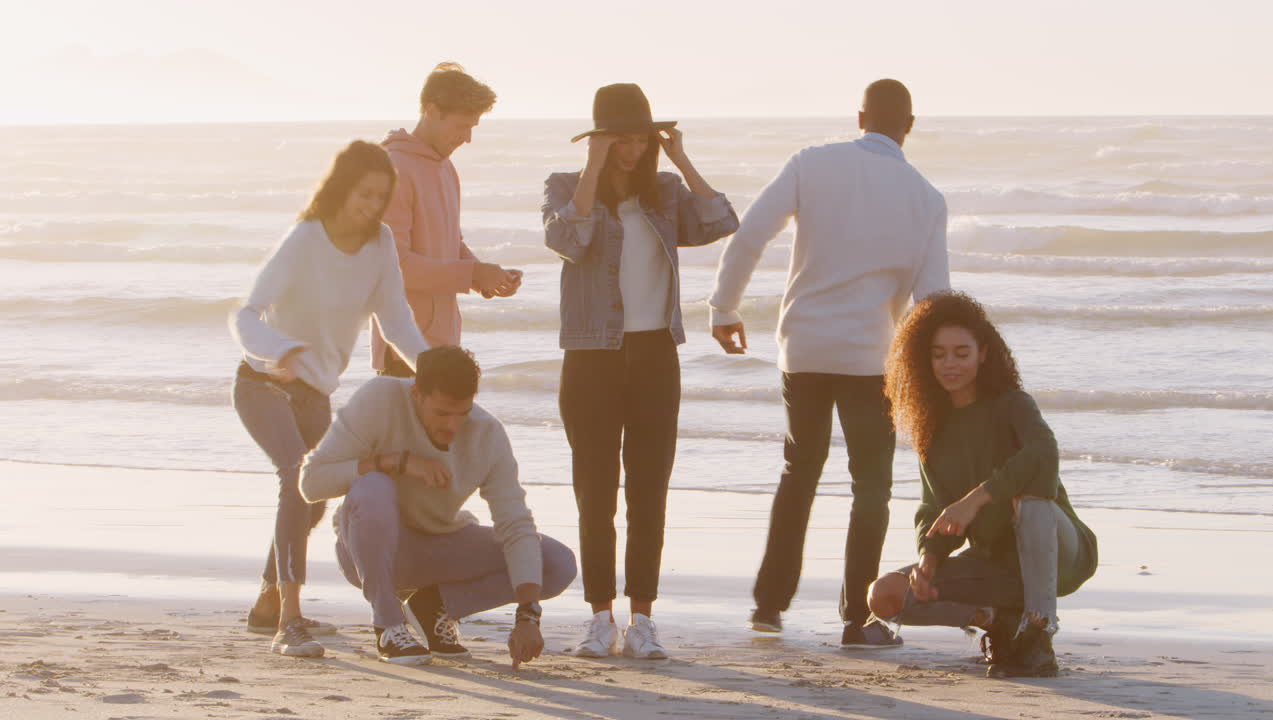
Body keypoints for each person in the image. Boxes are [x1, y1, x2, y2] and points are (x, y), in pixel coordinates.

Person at [708, 79, 950, 647]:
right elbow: (932, 301)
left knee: (800, 472)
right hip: (872, 357)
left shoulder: (812, 163)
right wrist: (940, 377)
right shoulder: (926, 198)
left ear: (860, 117)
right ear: (909, 126)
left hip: (805, 349)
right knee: (871, 487)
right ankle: (857, 619)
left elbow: (750, 236)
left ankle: (769, 606)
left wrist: (724, 307)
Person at [543, 83, 740, 659]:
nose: (631, 151)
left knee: (649, 492)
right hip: (591, 357)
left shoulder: (667, 191)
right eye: (619, 141)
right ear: (599, 139)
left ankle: (643, 620)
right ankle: (599, 618)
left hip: (656, 354)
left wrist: (680, 157)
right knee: (595, 492)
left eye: (639, 140)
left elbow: (721, 220)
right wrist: (593, 165)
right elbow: (567, 239)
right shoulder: (565, 186)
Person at [229, 140, 431, 657]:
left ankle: (268, 601)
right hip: (263, 384)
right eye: (364, 194)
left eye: (381, 197)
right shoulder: (306, 238)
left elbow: (396, 320)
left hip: (315, 394)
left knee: (314, 498)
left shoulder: (381, 243)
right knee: (296, 479)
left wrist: (431, 370)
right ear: (341, 189)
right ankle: (289, 623)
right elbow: (246, 314)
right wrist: (279, 349)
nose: (372, 206)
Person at [867, 291, 1098, 677]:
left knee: (1030, 500)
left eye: (962, 353)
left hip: (1059, 554)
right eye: (939, 354)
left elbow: (1044, 454)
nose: (949, 364)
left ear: (983, 354)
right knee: (884, 596)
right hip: (994, 567)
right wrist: (929, 558)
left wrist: (976, 499)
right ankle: (997, 621)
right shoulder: (933, 430)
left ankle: (1039, 634)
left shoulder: (1012, 404)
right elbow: (934, 509)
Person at [299, 346, 577, 667]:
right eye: (442, 413)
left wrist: (528, 614)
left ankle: (433, 608)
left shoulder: (487, 434)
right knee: (372, 485)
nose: (453, 426)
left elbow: (515, 524)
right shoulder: (380, 399)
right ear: (416, 394)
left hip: (438, 548)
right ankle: (388, 625)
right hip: (367, 551)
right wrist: (396, 462)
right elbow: (311, 483)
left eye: (463, 413)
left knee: (556, 563)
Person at [373, 61, 523, 378]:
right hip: (404, 347)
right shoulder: (393, 168)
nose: (467, 138)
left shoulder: (445, 167)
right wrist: (473, 273)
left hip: (443, 344)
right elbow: (394, 267)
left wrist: (486, 278)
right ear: (431, 111)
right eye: (461, 126)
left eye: (472, 127)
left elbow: (452, 243)